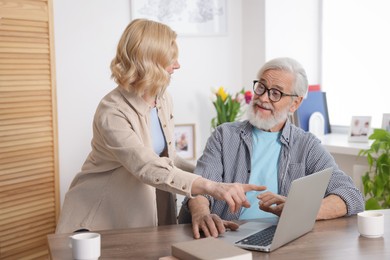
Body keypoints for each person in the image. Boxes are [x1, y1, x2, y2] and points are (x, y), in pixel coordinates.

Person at [56, 19, 264, 234]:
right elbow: (146, 166)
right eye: (171, 58)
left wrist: (214, 179)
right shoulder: (112, 111)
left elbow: (168, 158)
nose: (177, 64)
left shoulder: (162, 99)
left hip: (137, 211)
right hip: (99, 214)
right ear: (149, 61)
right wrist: (212, 187)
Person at [178, 57, 365, 239]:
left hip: (283, 238)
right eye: (261, 87)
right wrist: (202, 213)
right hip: (225, 235)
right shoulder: (224, 136)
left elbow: (351, 195)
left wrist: (298, 208)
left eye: (275, 93)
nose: (263, 98)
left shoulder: (307, 146)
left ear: (295, 104)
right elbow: (200, 187)